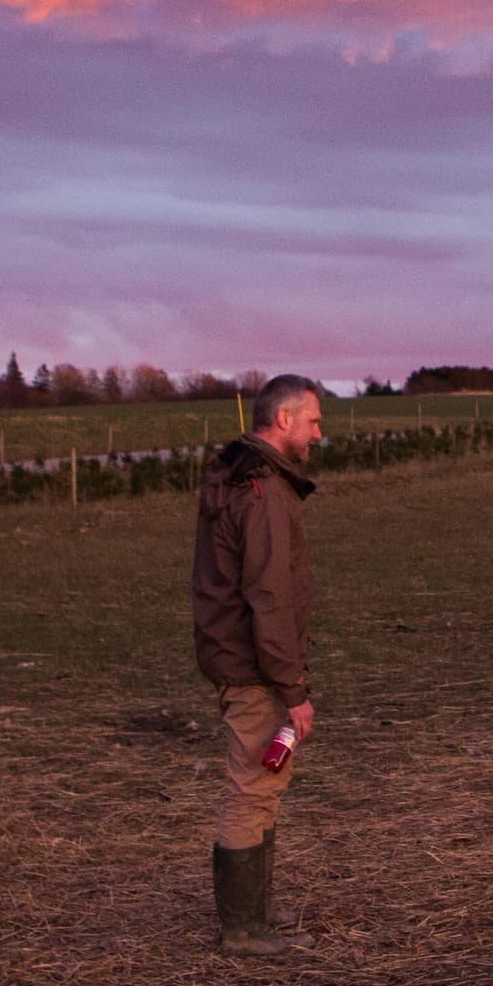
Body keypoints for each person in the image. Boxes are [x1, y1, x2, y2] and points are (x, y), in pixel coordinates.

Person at [192, 375, 324, 954]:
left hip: (244, 659)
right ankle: (243, 928)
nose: (318, 433)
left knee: (264, 784)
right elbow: (268, 595)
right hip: (253, 666)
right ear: (284, 419)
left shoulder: (244, 478)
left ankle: (255, 914)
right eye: (313, 421)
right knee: (253, 787)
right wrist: (291, 685)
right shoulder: (261, 490)